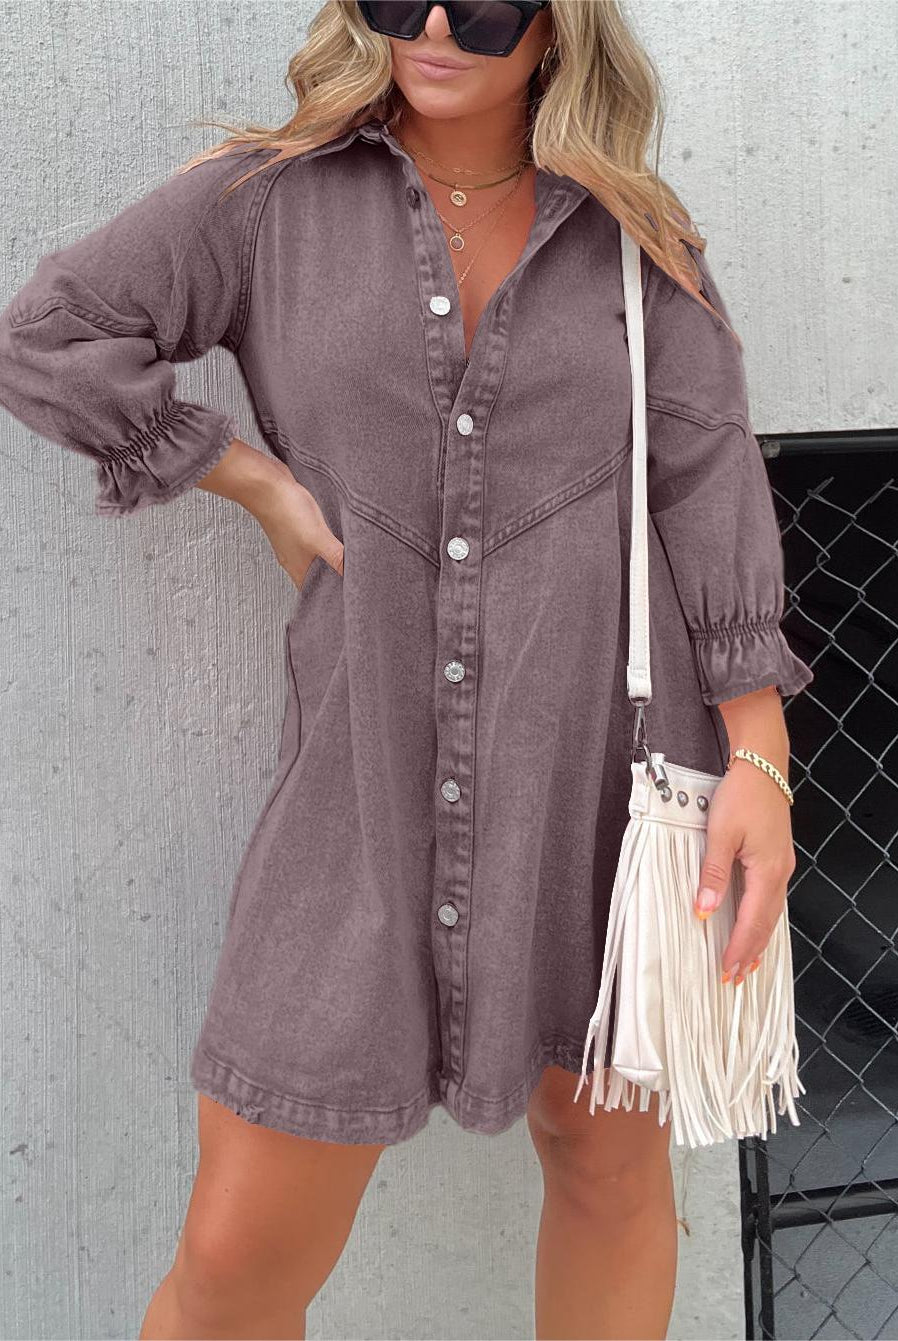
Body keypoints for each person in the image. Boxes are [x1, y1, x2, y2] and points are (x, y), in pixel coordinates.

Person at [0, 1, 814, 1337]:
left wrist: (759, 763)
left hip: (603, 770)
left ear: (558, 24)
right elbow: (46, 334)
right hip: (358, 769)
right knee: (233, 1257)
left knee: (606, 1166)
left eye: (482, 1)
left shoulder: (632, 235)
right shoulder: (266, 206)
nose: (434, 25)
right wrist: (246, 475)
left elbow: (705, 481)